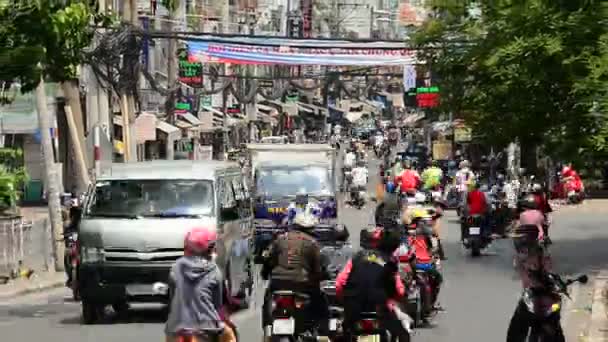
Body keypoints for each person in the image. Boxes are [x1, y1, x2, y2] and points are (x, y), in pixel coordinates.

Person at [260, 210, 329, 336]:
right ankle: (322, 331)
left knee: (267, 299)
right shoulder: (312, 243)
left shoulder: (280, 239)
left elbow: (268, 260)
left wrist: (265, 274)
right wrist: (321, 277)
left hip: (278, 283)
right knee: (321, 302)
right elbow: (318, 270)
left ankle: (267, 327)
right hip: (302, 284)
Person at [336, 228, 411, 341]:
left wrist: (343, 299)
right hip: (378, 309)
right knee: (403, 334)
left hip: (353, 307)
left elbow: (340, 283)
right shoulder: (390, 262)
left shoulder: (356, 258)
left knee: (342, 332)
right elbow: (399, 291)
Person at [165, 227, 235, 342]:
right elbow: (217, 305)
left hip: (177, 327)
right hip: (207, 327)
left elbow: (172, 301)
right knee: (229, 334)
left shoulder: (175, 268)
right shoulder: (214, 270)